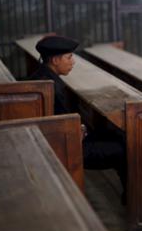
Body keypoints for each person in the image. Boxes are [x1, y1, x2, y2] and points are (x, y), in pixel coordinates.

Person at [30, 35, 127, 203]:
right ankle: (134, 200)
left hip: (63, 136)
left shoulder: (42, 76)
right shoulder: (48, 85)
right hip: (65, 145)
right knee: (125, 149)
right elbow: (54, 123)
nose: (73, 62)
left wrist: (79, 127)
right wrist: (77, 129)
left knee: (117, 134)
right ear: (55, 60)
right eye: (69, 57)